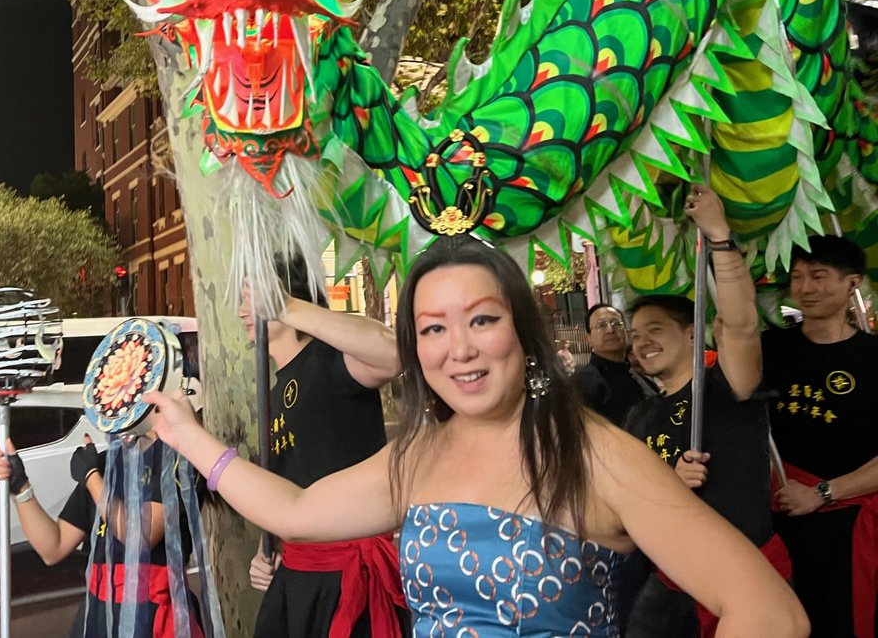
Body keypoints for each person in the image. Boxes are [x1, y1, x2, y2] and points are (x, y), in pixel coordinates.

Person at [147, 236, 808, 637]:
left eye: (482, 320)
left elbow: (769, 613)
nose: (458, 349)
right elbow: (295, 511)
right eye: (433, 328)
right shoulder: (418, 452)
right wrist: (185, 434)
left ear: (523, 330)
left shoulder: (597, 454)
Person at [622, 187, 789, 637]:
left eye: (655, 330)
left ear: (694, 334)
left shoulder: (727, 387)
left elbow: (741, 324)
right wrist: (667, 486)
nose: (642, 342)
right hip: (672, 586)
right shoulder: (639, 417)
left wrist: (718, 237)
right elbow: (626, 506)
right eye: (635, 335)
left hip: (747, 577)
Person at [242, 256, 408, 638]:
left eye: (250, 297)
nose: (241, 311)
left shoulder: (332, 360)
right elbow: (286, 490)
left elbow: (394, 352)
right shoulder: (270, 396)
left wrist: (289, 308)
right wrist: (268, 550)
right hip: (297, 582)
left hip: (349, 583)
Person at [763, 235, 878, 638]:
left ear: (853, 283)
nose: (805, 287)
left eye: (819, 275)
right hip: (776, 519)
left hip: (848, 527)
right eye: (797, 277)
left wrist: (823, 493)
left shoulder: (873, 357)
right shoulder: (770, 348)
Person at [0, 433, 201, 637]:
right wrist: (20, 488)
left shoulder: (175, 458)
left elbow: (139, 537)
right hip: (98, 614)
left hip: (152, 615)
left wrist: (91, 477)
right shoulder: (105, 463)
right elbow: (53, 547)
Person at [574, 303, 652, 425]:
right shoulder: (581, 383)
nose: (610, 330)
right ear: (588, 339)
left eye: (616, 324)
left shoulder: (641, 377)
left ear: (626, 332)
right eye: (601, 325)